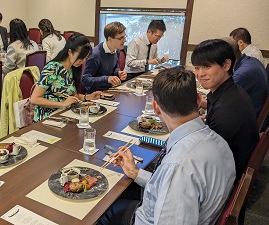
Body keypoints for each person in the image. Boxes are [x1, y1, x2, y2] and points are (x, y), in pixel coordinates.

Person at [98, 67, 236, 225]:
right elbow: (167, 184)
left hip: (147, 218)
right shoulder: (219, 141)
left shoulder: (179, 166)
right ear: (198, 100)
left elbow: (175, 178)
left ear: (156, 108)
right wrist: (135, 172)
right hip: (187, 210)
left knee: (102, 209)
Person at [191, 39, 259, 181]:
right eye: (196, 67)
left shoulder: (227, 108)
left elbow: (206, 156)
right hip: (226, 165)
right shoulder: (231, 91)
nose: (200, 74)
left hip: (224, 177)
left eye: (206, 67)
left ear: (226, 65)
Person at [31, 33, 101, 122]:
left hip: (65, 114)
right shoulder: (53, 68)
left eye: (85, 58)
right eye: (80, 58)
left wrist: (88, 97)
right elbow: (35, 99)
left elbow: (72, 96)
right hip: (47, 117)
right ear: (70, 52)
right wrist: (62, 104)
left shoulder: (72, 68)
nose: (82, 62)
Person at [222, 37, 268, 116]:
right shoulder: (252, 60)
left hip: (247, 121)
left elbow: (221, 104)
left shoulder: (241, 74)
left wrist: (201, 102)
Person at [82, 22, 127, 94]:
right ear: (110, 39)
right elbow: (85, 80)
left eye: (125, 36)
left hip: (110, 90)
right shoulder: (95, 55)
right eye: (121, 38)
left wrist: (118, 73)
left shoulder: (117, 50)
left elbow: (115, 67)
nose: (125, 40)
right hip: (96, 94)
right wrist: (107, 79)